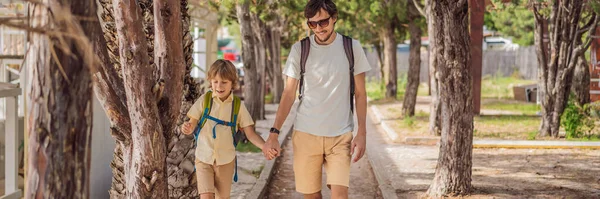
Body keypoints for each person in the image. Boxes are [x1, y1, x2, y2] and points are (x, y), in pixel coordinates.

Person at [263, 0, 372, 198]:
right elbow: (288, 94)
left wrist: (362, 132)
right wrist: (273, 134)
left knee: (340, 194)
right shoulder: (300, 50)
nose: (318, 28)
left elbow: (360, 93)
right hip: (306, 134)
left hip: (340, 136)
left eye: (323, 22)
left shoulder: (352, 47)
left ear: (334, 18)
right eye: (312, 24)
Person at [182, 59, 277, 199]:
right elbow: (192, 122)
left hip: (226, 161)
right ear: (210, 81)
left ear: (233, 83)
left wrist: (264, 147)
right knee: (206, 196)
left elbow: (250, 134)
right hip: (203, 158)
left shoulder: (237, 106)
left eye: (224, 82)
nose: (219, 86)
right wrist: (188, 128)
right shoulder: (205, 100)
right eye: (215, 81)